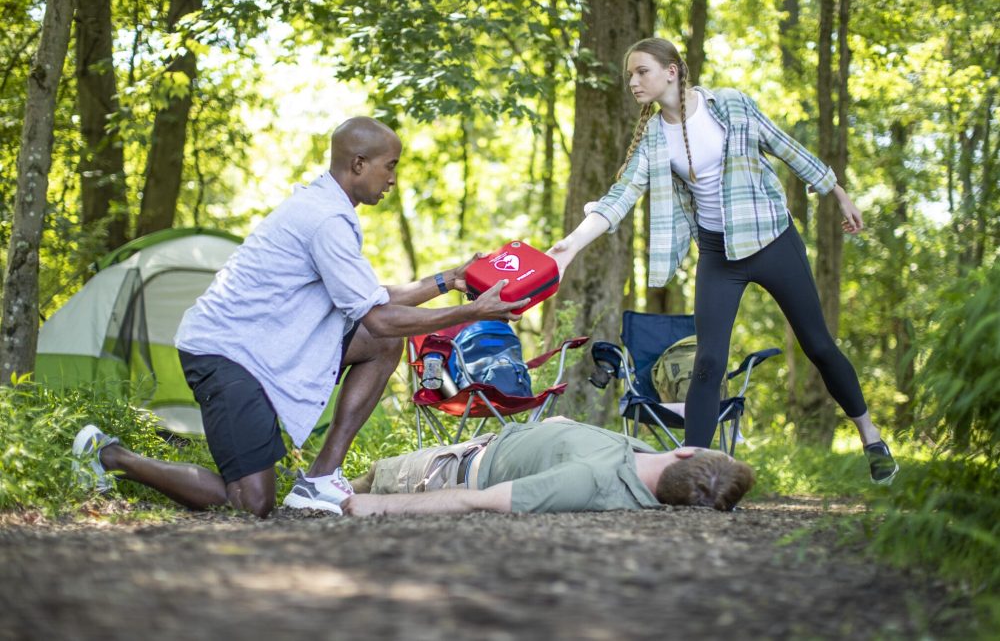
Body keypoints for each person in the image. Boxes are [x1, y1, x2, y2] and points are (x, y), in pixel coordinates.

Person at [71, 116, 529, 518]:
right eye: (390, 166)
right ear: (358, 165)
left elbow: (374, 300)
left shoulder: (328, 210)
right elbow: (380, 318)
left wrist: (451, 277)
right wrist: (472, 309)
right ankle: (111, 455)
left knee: (383, 346)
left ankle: (319, 478)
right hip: (226, 354)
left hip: (267, 347)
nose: (393, 179)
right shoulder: (324, 219)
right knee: (252, 502)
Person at [547, 38, 898, 484]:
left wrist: (837, 191)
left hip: (773, 240)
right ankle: (696, 473)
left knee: (818, 345)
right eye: (630, 75)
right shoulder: (654, 136)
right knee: (708, 363)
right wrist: (571, 246)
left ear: (672, 71)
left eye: (642, 72)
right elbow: (621, 197)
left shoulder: (729, 106)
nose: (633, 81)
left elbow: (784, 145)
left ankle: (871, 437)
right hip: (718, 255)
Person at [341, 416, 755, 516]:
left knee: (374, 475)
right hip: (489, 443)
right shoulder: (646, 459)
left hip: (452, 469)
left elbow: (479, 501)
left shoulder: (591, 480)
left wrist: (381, 505)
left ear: (687, 451)